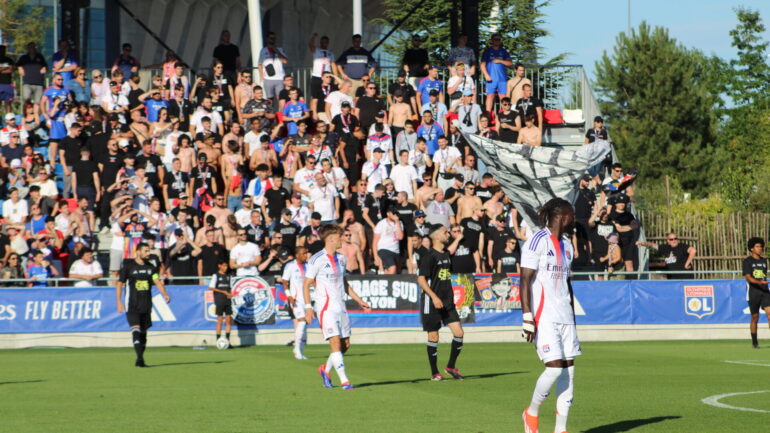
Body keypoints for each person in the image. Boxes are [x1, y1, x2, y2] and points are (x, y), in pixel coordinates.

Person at [520, 198, 579, 433]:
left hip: (566, 316)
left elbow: (567, 283)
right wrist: (527, 317)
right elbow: (524, 280)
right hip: (544, 317)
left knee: (569, 371)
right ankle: (531, 412)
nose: (574, 220)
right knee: (554, 368)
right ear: (563, 216)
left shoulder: (567, 245)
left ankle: (560, 429)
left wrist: (573, 316)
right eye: (572, 215)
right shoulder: (536, 241)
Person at [304, 224, 372, 389]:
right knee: (334, 341)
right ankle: (345, 381)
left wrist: (358, 299)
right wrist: (308, 307)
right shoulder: (316, 259)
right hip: (326, 308)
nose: (343, 239)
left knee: (345, 345)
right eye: (340, 236)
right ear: (332, 239)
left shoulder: (341, 258)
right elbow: (306, 284)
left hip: (340, 306)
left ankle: (325, 370)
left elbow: (344, 282)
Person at [417, 224, 465, 380]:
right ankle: (434, 373)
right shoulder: (429, 256)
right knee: (433, 337)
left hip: (447, 301)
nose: (448, 234)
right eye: (445, 232)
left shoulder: (445, 254)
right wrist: (434, 297)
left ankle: (450, 366)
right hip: (431, 301)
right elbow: (421, 279)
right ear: (437, 236)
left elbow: (451, 250)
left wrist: (458, 239)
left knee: (459, 333)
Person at [116, 243, 171, 367]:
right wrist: (119, 301)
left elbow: (156, 281)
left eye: (149, 251)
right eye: (146, 251)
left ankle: (141, 357)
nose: (148, 253)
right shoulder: (128, 266)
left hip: (146, 304)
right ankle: (139, 358)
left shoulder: (151, 267)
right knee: (136, 329)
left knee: (144, 333)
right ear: (138, 252)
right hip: (132, 304)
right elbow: (119, 284)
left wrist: (165, 294)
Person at [282, 246, 311, 360]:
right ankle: (297, 350)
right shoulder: (290, 266)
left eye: (306, 253)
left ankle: (301, 351)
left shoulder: (308, 266)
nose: (306, 255)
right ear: (297, 255)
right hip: (296, 299)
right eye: (304, 253)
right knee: (302, 322)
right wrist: (289, 295)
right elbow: (285, 282)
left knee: (305, 326)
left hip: (307, 299)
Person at [743, 237, 770, 349]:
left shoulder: (764, 261)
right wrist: (759, 282)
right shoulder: (747, 261)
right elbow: (748, 277)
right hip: (753, 292)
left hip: (765, 291)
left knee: (769, 313)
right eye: (757, 247)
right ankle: (755, 342)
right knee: (755, 317)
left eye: (761, 246)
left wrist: (763, 283)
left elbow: (763, 275)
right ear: (751, 248)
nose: (760, 249)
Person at [480, 33, 512, 113]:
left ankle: (505, 114)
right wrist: (486, 75)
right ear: (492, 40)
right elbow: (482, 64)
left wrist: (500, 61)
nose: (497, 41)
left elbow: (510, 63)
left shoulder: (503, 51)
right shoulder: (487, 51)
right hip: (491, 78)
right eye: (495, 39)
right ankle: (488, 115)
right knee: (490, 96)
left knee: (503, 97)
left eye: (499, 39)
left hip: (502, 79)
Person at [258, 32, 289, 102]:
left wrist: (277, 51)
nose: (273, 40)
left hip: (280, 78)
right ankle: (270, 112)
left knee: (281, 98)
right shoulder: (263, 50)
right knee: (269, 99)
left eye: (274, 38)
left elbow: (285, 61)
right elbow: (260, 64)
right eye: (271, 38)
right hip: (268, 78)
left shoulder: (280, 49)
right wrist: (261, 77)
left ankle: (281, 112)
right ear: (267, 39)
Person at [209, 259, 233, 347]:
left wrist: (230, 293)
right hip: (219, 299)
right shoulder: (216, 275)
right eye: (224, 266)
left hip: (227, 300)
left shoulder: (229, 276)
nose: (226, 268)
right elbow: (211, 287)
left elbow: (230, 287)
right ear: (220, 266)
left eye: (226, 266)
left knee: (228, 320)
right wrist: (223, 292)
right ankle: (218, 341)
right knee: (219, 320)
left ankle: (227, 341)